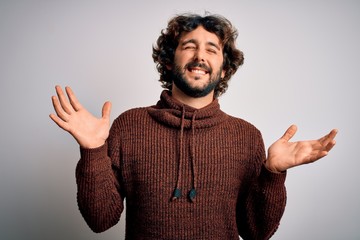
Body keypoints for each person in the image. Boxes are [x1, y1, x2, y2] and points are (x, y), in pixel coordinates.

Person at [50, 13, 337, 240]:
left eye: (212, 49)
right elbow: (100, 220)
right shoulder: (130, 125)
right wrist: (93, 150)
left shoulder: (247, 136)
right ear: (169, 63)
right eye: (189, 47)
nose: (200, 56)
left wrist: (273, 173)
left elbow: (256, 232)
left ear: (224, 68)